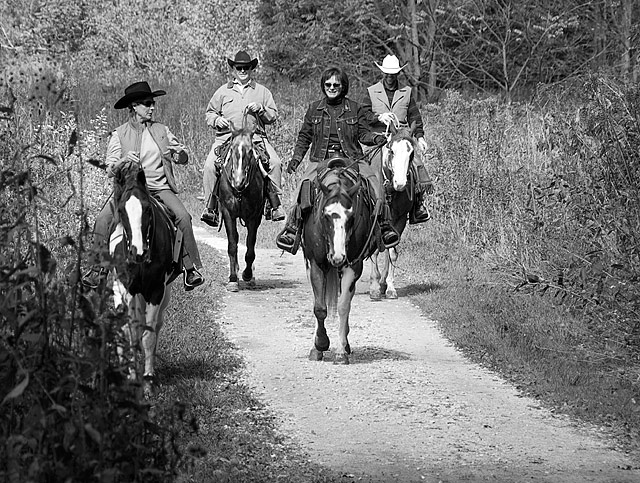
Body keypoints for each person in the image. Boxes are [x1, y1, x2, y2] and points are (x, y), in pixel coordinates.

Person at [82, 81, 205, 291]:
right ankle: (97, 270)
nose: (152, 107)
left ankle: (190, 268)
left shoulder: (161, 130)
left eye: (152, 103)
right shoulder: (118, 134)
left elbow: (182, 156)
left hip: (159, 188)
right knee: (103, 220)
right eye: (147, 104)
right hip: (128, 192)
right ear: (134, 107)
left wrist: (179, 154)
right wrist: (122, 161)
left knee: (184, 217)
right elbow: (109, 169)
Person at [275, 66, 400, 253]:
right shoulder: (313, 109)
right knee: (302, 187)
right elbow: (304, 137)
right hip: (320, 160)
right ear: (323, 86)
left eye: (336, 84)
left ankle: (383, 226)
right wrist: (296, 159)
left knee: (375, 185)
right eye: (328, 84)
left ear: (343, 87)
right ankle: (293, 229)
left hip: (351, 159)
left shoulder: (355, 108)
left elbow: (364, 134)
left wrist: (376, 138)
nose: (332, 87)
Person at [201, 50, 285, 227]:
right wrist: (217, 119)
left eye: (246, 67)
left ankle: (273, 205)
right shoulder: (222, 91)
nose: (242, 70)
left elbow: (273, 116)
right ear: (233, 69)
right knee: (209, 166)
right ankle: (211, 208)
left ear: (251, 68)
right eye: (239, 67)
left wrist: (261, 109)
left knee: (275, 163)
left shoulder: (262, 91)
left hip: (255, 139)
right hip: (226, 139)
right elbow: (209, 113)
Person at [363, 54, 434, 224]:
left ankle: (418, 204)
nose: (389, 77)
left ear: (397, 75)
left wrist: (420, 136)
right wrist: (379, 117)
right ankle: (362, 202)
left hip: (401, 136)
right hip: (378, 138)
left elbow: (414, 116)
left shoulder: (406, 92)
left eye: (393, 74)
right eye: (387, 74)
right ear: (383, 74)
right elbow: (363, 114)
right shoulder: (371, 91)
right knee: (364, 165)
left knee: (417, 164)